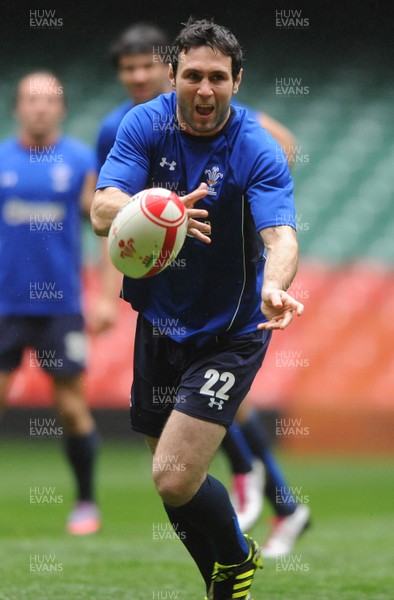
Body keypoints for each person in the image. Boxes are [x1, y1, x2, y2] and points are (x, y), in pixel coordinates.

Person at [92, 17, 304, 598]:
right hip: (158, 323)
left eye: (217, 78)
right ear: (172, 76)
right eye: (192, 76)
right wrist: (158, 208)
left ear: (238, 81)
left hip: (230, 332)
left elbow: (281, 236)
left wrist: (276, 286)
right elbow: (102, 211)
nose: (204, 90)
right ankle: (222, 575)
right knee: (173, 479)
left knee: (172, 475)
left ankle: (236, 559)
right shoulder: (144, 123)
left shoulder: (255, 147)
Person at [0, 72, 112, 536]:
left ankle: (86, 502)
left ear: (61, 109)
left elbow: (105, 226)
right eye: (31, 100)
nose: (40, 108)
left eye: (49, 101)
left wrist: (106, 296)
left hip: (60, 305)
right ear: (17, 107)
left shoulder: (81, 160)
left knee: (70, 408)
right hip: (4, 306)